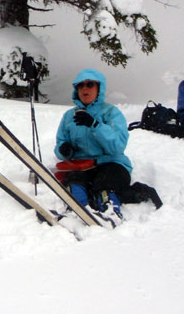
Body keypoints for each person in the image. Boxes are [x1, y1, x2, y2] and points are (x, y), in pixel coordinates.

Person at [54, 69, 132, 217]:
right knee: (75, 182)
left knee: (105, 185)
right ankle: (76, 213)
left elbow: (118, 146)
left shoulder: (111, 113)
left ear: (99, 88)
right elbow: (60, 143)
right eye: (80, 85)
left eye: (90, 84)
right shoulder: (69, 116)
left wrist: (95, 125)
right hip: (82, 166)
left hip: (111, 164)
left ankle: (110, 213)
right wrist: (64, 149)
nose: (85, 88)